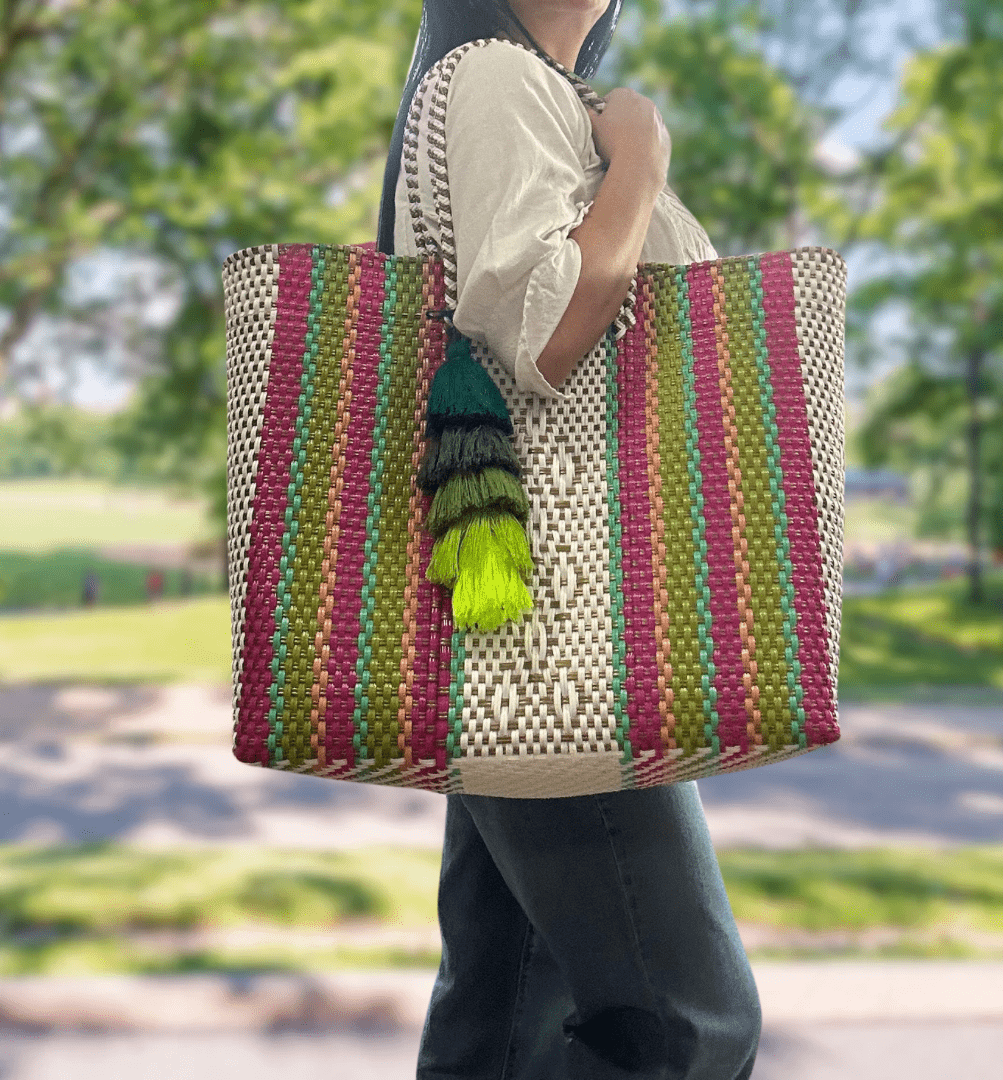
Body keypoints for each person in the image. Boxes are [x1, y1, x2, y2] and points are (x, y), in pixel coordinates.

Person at [377, 3, 762, 1077]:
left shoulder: (533, 95)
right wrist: (641, 152)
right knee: (689, 1024)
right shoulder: (500, 78)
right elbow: (547, 333)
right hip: (553, 624)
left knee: (506, 1011)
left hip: (513, 606)